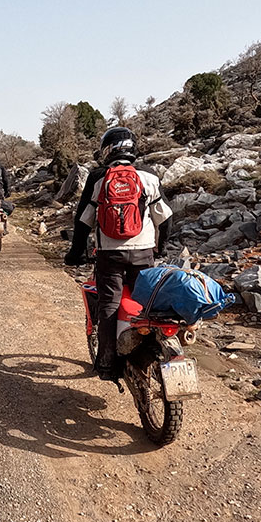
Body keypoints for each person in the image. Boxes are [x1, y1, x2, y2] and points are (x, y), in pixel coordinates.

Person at [64, 127, 172, 382]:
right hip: (143, 253)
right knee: (146, 303)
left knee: (109, 305)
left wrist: (75, 253)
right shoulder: (148, 176)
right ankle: (149, 348)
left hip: (109, 255)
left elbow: (83, 220)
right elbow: (165, 218)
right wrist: (162, 247)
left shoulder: (99, 177)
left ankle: (107, 363)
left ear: (107, 150)